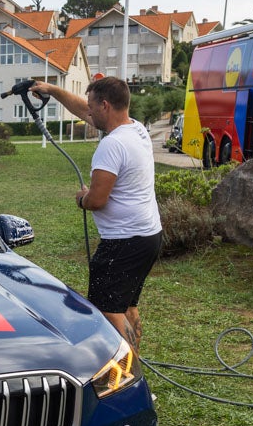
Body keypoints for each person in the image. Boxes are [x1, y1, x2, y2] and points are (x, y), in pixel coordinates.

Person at [30, 76, 162, 352]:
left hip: (122, 243)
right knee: (127, 306)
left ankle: (126, 375)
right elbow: (81, 107)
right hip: (147, 237)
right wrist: (51, 90)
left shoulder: (111, 145)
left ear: (104, 105)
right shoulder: (136, 130)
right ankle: (135, 363)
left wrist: (82, 198)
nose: (87, 113)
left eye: (92, 107)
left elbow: (97, 201)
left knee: (107, 311)